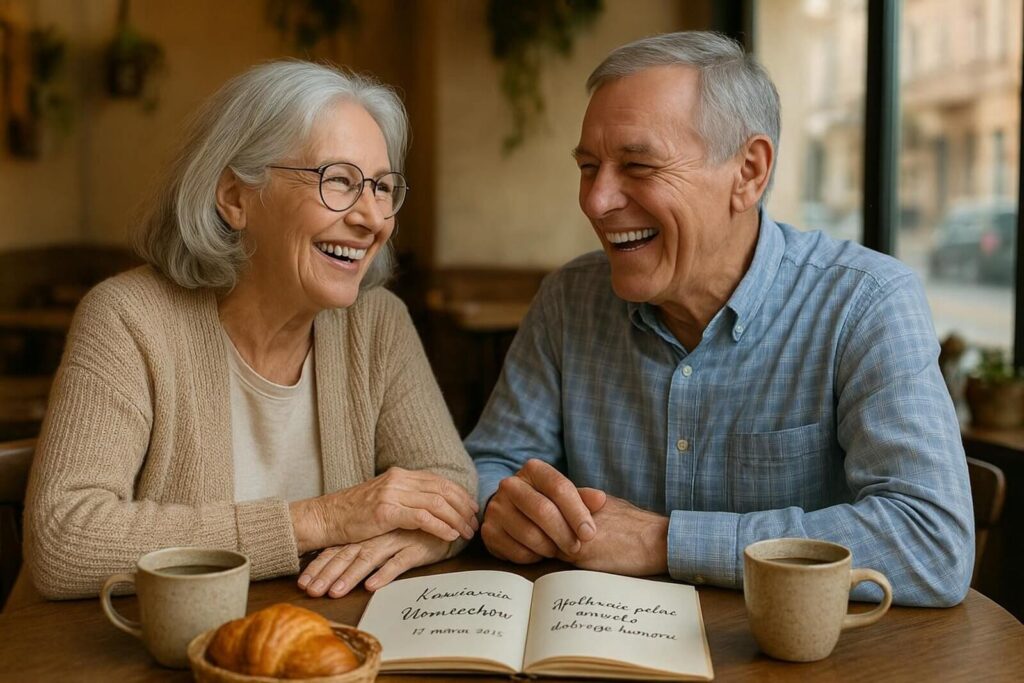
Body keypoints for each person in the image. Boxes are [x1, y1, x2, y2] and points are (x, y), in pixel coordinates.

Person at [468, 32, 973, 607]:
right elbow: (491, 463)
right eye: (588, 167)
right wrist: (501, 507)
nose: (597, 200)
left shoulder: (866, 303)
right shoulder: (567, 299)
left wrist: (665, 541)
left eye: (637, 165)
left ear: (748, 173)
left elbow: (932, 542)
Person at [24, 61, 478, 601]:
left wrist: (419, 536)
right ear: (236, 198)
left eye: (382, 188)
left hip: (334, 646)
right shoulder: (127, 319)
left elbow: (450, 483)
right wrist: (322, 520)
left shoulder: (377, 324)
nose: (373, 218)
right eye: (338, 181)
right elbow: (64, 538)